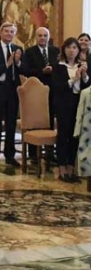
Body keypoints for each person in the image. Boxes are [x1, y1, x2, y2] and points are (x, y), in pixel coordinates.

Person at [0, 22, 25, 169]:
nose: (9, 34)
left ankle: (10, 156)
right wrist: (6, 65)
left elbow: (23, 70)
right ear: (0, 33)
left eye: (11, 32)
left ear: (14, 34)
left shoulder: (17, 49)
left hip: (12, 91)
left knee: (11, 125)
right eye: (6, 31)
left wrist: (18, 63)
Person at [52, 37, 90, 182]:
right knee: (63, 135)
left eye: (74, 47)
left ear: (78, 50)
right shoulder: (59, 66)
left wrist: (84, 75)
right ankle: (62, 168)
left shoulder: (82, 65)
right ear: (64, 50)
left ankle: (71, 167)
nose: (71, 50)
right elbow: (57, 87)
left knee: (75, 135)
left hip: (78, 103)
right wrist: (73, 79)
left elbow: (86, 86)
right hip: (63, 104)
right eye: (69, 47)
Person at [23, 27, 59, 161]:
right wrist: (42, 71)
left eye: (45, 35)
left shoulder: (55, 51)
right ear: (36, 38)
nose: (42, 38)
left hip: (52, 90)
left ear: (48, 37)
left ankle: (49, 152)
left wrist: (53, 70)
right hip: (36, 92)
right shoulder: (29, 52)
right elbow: (26, 70)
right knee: (36, 122)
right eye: (40, 35)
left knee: (49, 121)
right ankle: (33, 154)